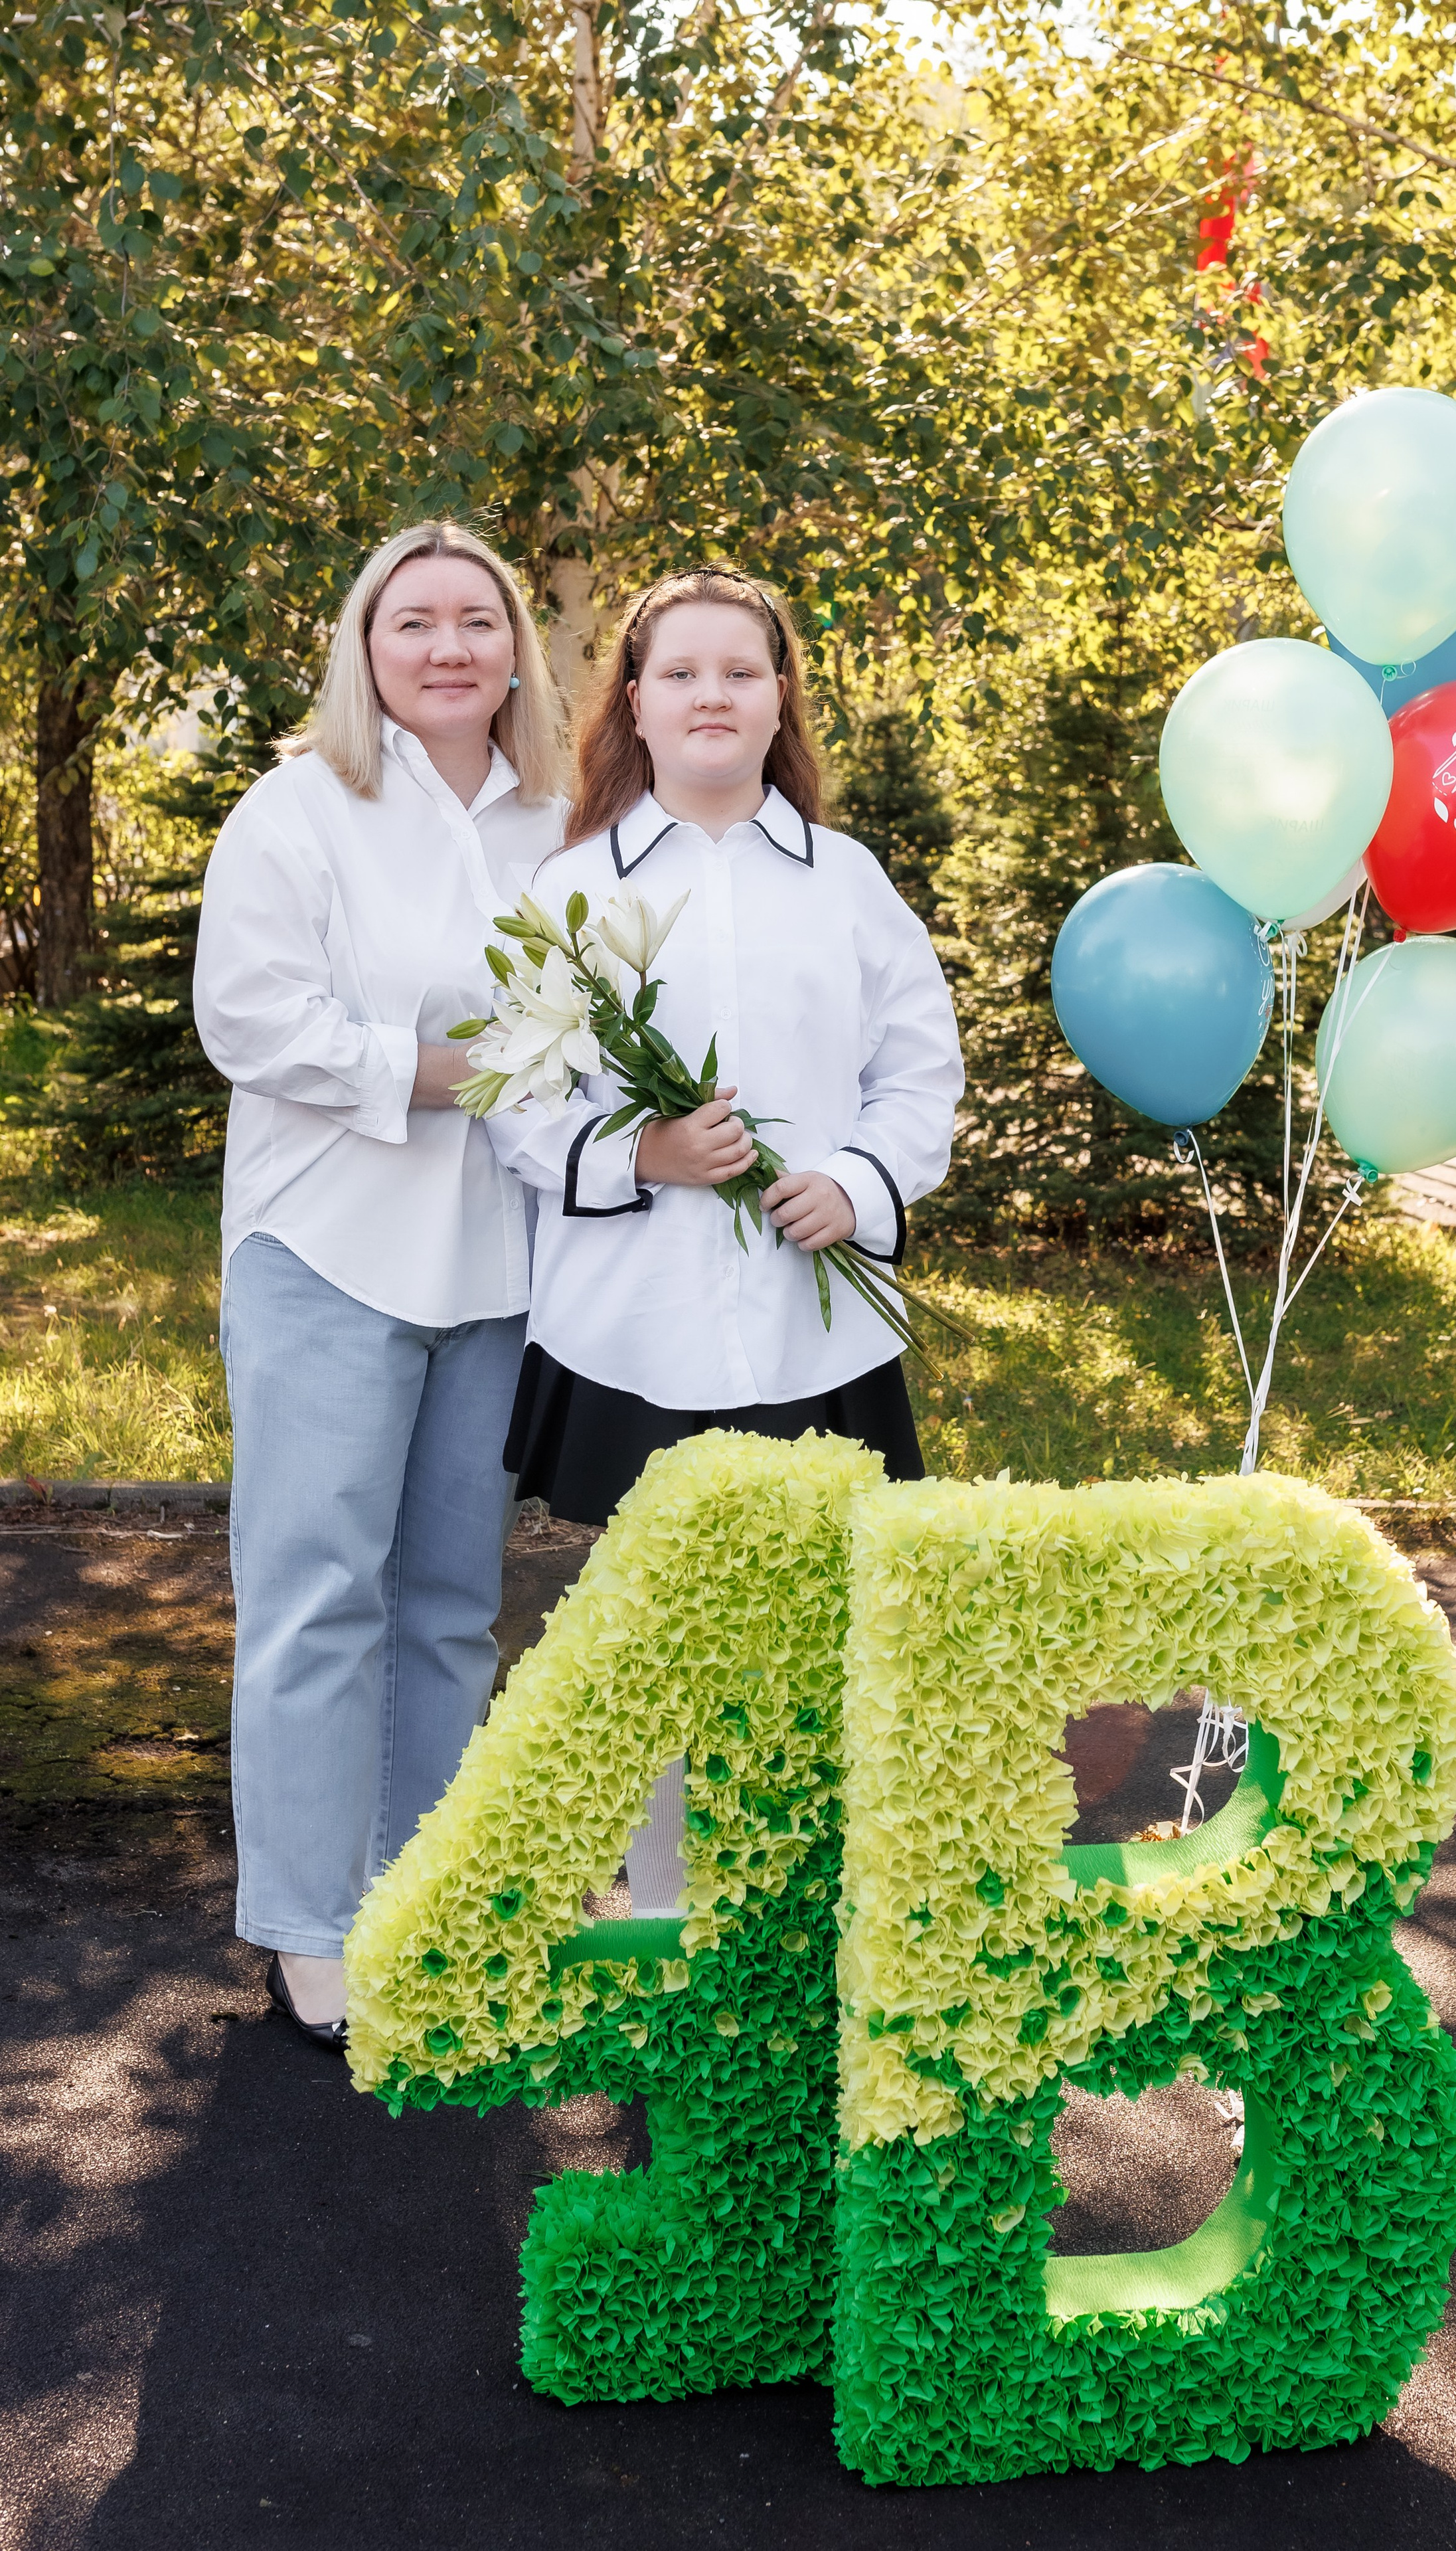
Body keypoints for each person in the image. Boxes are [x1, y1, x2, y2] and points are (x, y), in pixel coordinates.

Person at [485, 565, 962, 1912]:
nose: (710, 694)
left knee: (816, 1627)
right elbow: (519, 1102)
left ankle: (794, 1905)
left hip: (815, 1321)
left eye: (737, 673)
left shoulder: (849, 884)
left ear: (778, 702)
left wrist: (858, 1183)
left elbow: (918, 1073)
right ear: (632, 703)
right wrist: (644, 1154)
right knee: (648, 1629)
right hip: (635, 1325)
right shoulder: (569, 888)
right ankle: (659, 1908)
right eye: (679, 671)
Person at [194, 521, 568, 2047]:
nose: (446, 648)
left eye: (475, 621)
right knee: (314, 1600)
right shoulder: (297, 812)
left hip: (495, 1259)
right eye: (411, 622)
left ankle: (421, 1892)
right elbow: (249, 1017)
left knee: (449, 1608)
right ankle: (307, 1924)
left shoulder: (560, 821)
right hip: (327, 1246)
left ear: (514, 652)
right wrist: (434, 1070)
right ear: (365, 648)